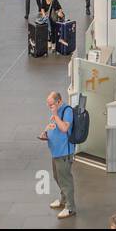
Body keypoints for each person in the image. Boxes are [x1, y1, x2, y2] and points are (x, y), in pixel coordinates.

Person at [43, 91, 76, 219]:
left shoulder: (67, 111)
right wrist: (46, 133)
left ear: (59, 101)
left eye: (51, 104)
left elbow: (64, 128)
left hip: (64, 153)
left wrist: (55, 115)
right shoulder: (55, 112)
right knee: (58, 177)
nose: (49, 107)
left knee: (65, 180)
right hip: (56, 152)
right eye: (48, 104)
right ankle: (63, 200)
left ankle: (70, 208)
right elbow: (54, 127)